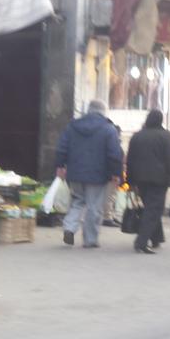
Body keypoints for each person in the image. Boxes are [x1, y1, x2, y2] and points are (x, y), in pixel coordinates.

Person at [55, 100, 124, 248]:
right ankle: (90, 239)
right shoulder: (108, 129)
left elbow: (62, 147)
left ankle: (69, 228)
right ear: (103, 111)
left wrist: (60, 165)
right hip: (98, 175)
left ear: (89, 110)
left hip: (75, 172)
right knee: (94, 206)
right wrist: (116, 173)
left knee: (77, 201)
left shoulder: (72, 126)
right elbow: (114, 154)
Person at [126, 110, 170, 254]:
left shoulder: (137, 136)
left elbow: (130, 160)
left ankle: (157, 238)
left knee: (150, 208)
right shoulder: (166, 137)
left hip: (140, 179)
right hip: (159, 180)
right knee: (154, 209)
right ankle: (141, 242)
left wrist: (130, 181)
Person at [102, 122, 124, 227]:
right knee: (109, 196)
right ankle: (107, 217)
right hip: (112, 175)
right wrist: (115, 174)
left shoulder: (109, 143)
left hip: (111, 174)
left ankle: (109, 215)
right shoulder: (113, 145)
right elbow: (115, 160)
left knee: (111, 196)